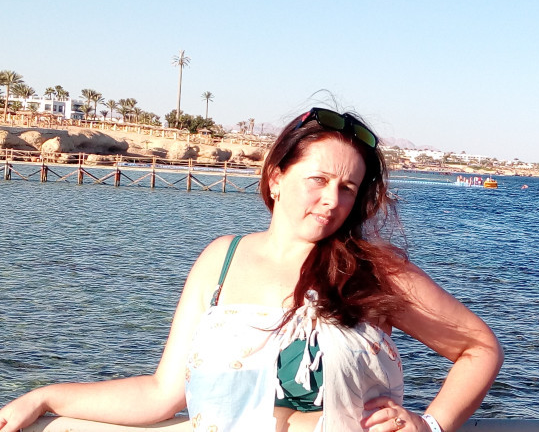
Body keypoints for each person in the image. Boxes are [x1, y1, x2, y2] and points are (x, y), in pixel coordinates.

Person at [0, 107, 503, 432]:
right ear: (276, 177)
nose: (332, 200)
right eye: (319, 179)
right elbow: (162, 393)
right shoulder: (220, 261)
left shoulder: (375, 272)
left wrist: (430, 424)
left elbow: (478, 349)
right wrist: (46, 397)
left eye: (348, 188)